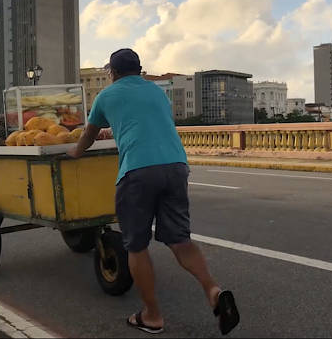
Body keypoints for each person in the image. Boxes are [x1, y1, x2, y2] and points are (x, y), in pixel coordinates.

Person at [67, 48, 239, 335]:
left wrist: (75, 152)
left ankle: (152, 315)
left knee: (136, 245)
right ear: (140, 69)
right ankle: (212, 289)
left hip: (138, 171)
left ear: (112, 72)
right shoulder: (158, 93)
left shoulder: (105, 97)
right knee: (180, 240)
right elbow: (144, 122)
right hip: (176, 166)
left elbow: (89, 134)